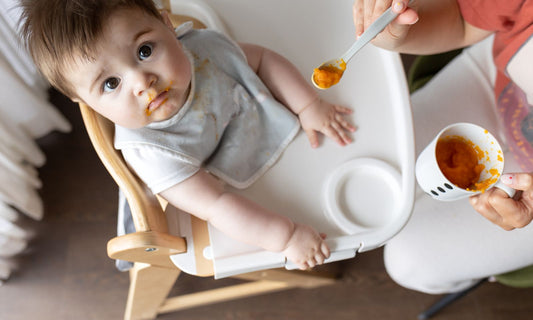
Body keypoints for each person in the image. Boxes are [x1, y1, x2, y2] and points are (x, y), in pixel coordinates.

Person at [20, 0, 356, 270]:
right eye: (111, 84)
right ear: (85, 102)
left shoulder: (203, 49)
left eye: (144, 51)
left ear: (168, 26)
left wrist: (308, 105)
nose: (142, 82)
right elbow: (217, 205)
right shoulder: (152, 154)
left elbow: (262, 60)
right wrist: (286, 238)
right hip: (211, 187)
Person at [352, 0, 533, 293]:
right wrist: (400, 35)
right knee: (369, 169)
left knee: (408, 261)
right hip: (496, 83)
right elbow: (462, 23)